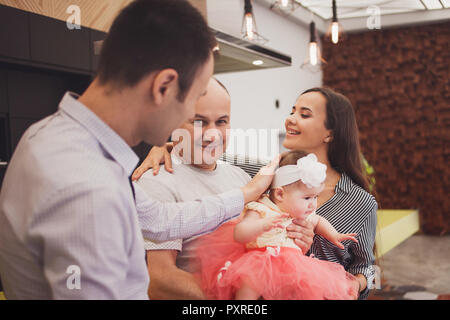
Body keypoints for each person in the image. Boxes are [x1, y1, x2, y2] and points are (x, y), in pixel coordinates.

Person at [0, 0, 276, 300]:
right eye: (194, 101)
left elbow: (160, 220)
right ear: (163, 87)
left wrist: (245, 194)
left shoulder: (56, 136)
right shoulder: (86, 184)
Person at [132, 87, 378, 299]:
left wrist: (354, 283)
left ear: (330, 133)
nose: (290, 119)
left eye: (304, 114)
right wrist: (166, 146)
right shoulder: (262, 176)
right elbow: (205, 154)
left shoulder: (360, 202)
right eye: (292, 111)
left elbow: (365, 266)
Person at [137, 77, 251, 299]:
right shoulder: (156, 182)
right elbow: (160, 281)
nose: (212, 134)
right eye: (198, 121)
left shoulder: (243, 176)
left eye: (221, 122)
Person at [195, 151, 360, 300]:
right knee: (249, 284)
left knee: (306, 289)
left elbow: (319, 222)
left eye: (316, 197)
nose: (313, 204)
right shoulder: (263, 208)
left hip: (294, 266)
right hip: (259, 260)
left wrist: (334, 235)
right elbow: (239, 233)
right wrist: (261, 225)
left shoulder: (303, 216)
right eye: (307, 198)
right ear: (280, 193)